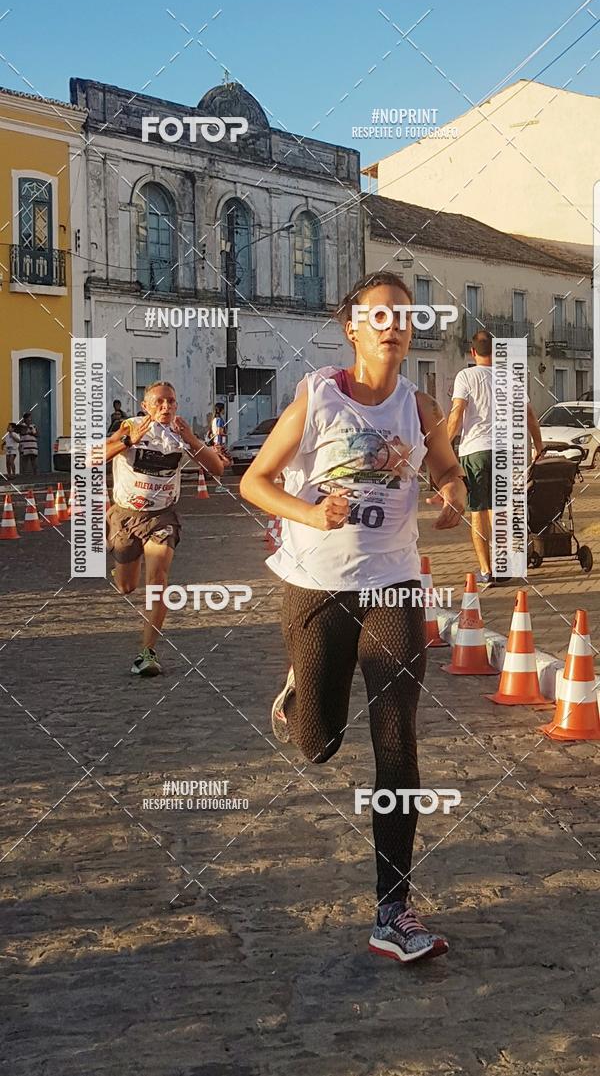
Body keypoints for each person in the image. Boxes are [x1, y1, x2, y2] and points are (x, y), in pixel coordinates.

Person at [240, 271, 467, 964]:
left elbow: (449, 469)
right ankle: (302, 688)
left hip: (394, 583)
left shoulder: (420, 406)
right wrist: (312, 512)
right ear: (352, 326)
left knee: (397, 736)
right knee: (319, 743)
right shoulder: (318, 397)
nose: (394, 324)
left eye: (404, 314)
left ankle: (392, 907)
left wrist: (453, 495)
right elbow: (255, 480)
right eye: (379, 314)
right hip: (316, 584)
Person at [101, 381, 230, 677]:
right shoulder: (129, 426)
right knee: (126, 587)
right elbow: (91, 458)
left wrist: (194, 441)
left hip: (162, 517)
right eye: (159, 402)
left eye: (171, 402)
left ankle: (146, 653)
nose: (166, 407)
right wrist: (127, 442)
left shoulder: (180, 433)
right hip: (126, 516)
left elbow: (217, 470)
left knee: (158, 581)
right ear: (146, 406)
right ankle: (120, 564)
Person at [447, 330, 543, 585]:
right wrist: (538, 444)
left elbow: (457, 414)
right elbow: (529, 415)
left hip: (475, 451)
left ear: (473, 352)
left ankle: (487, 570)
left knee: (478, 511)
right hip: (505, 451)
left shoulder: (466, 376)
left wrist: (443, 446)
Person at [18, 413, 39, 477]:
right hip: (25, 446)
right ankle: (24, 475)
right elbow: (22, 433)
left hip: (33, 446)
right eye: (28, 418)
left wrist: (31, 432)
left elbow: (37, 434)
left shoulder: (34, 426)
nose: (30, 419)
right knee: (24, 460)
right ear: (25, 419)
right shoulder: (22, 426)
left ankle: (35, 474)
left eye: (30, 418)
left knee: (34, 460)